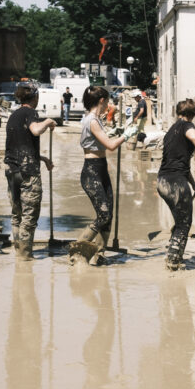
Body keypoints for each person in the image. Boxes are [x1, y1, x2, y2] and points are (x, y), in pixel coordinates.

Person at [157, 99, 195, 271]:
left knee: (179, 220)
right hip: (175, 183)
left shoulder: (171, 131)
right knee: (184, 223)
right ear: (194, 115)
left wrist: (194, 185)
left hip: (163, 181)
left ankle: (172, 252)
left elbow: (181, 165)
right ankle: (174, 262)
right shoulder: (187, 127)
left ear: (178, 113)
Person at [73, 85, 126, 266]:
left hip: (100, 169)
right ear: (102, 101)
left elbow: (103, 140)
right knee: (103, 215)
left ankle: (99, 254)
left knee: (108, 214)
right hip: (92, 171)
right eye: (107, 102)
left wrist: (112, 134)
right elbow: (110, 146)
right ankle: (78, 252)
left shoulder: (95, 119)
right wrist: (125, 136)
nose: (108, 106)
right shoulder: (93, 121)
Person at [5, 83, 56, 261]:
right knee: (29, 216)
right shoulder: (31, 113)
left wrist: (42, 158)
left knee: (16, 214)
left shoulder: (13, 115)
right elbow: (35, 131)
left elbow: (19, 145)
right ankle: (25, 258)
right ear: (35, 98)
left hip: (12, 169)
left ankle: (18, 250)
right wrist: (48, 121)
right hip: (28, 172)